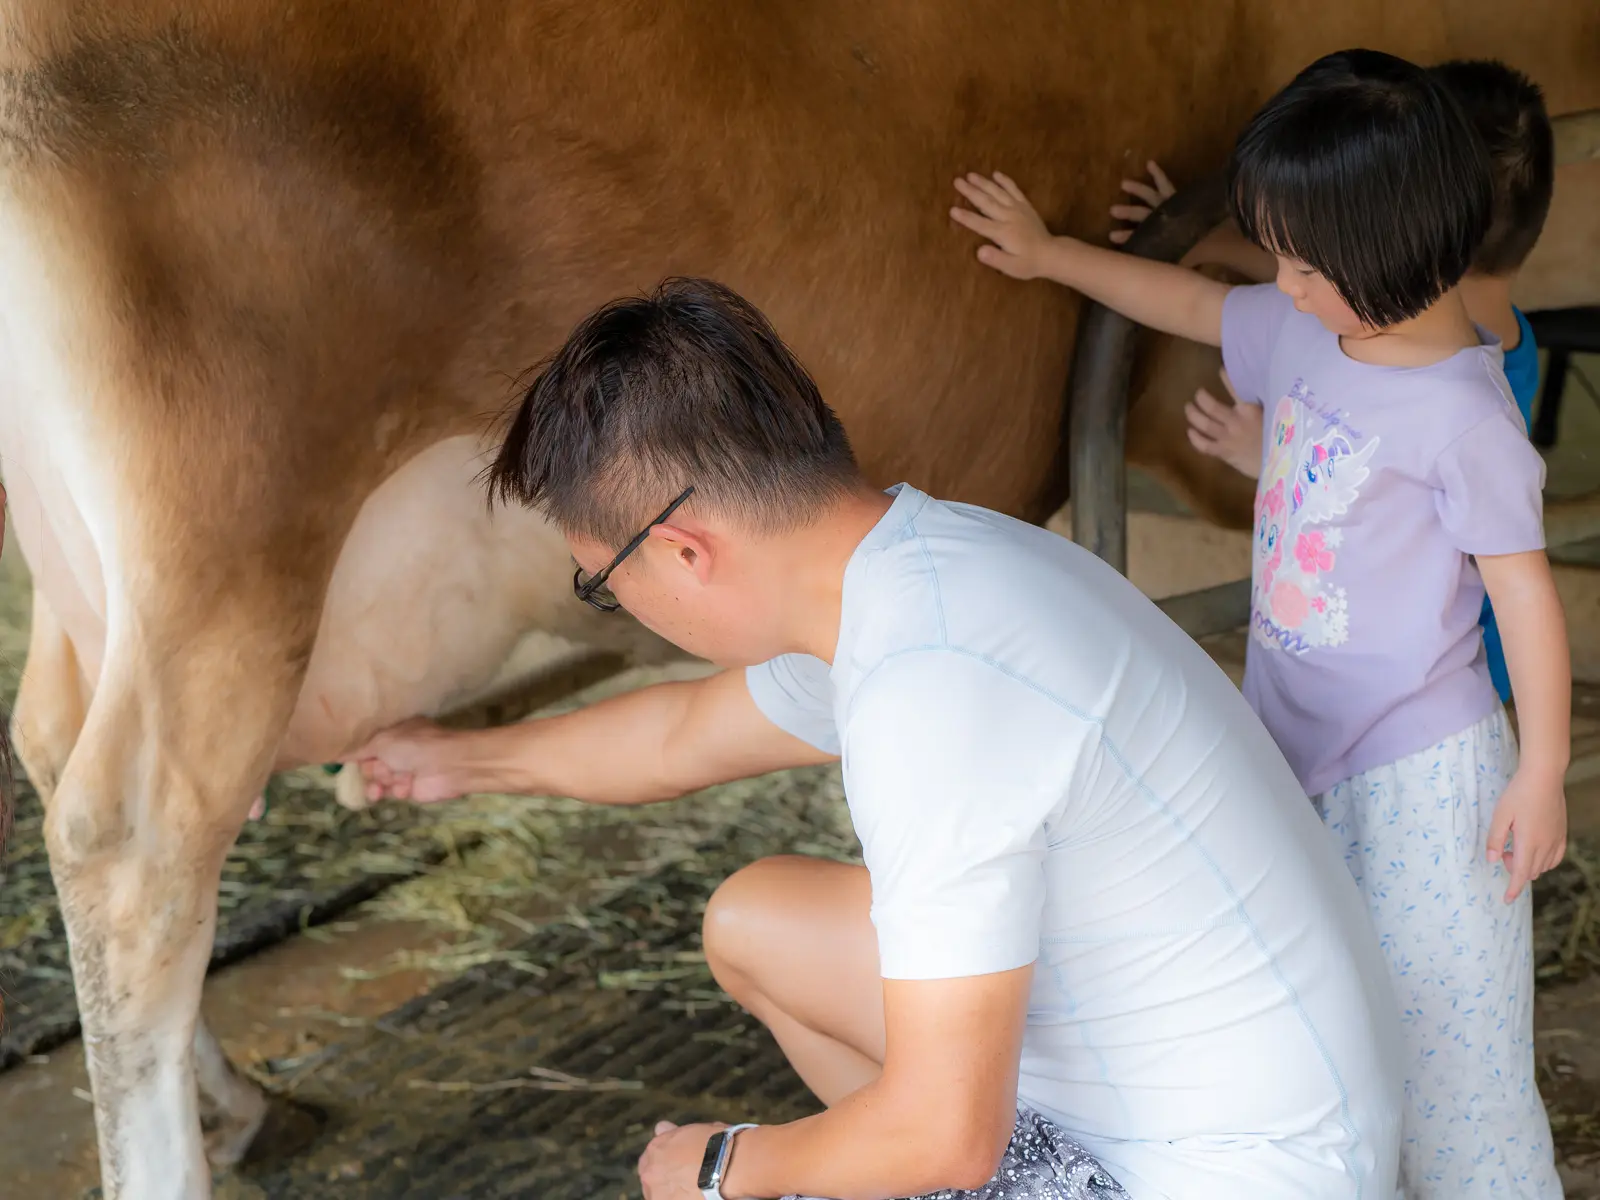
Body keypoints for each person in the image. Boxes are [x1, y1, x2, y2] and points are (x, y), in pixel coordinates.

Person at [347, 276, 1404, 1199]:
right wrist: (460, 761)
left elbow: (948, 1134)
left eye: (605, 584)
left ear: (680, 551)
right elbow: (680, 736)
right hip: (1231, 1082)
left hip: (1232, 1169)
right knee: (755, 919)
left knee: (857, 1151)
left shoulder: (928, 693)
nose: (618, 602)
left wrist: (721, 1166)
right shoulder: (920, 568)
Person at [950, 47, 1570, 1199]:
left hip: (1420, 767)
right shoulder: (1310, 335)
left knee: (1452, 1036)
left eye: (1296, 259)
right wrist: (1051, 257)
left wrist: (1539, 773)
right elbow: (1182, 298)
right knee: (1314, 996)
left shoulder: (1465, 413)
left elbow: (1523, 593)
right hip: (1285, 734)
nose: (1274, 280)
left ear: (1384, 250)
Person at [1109, 59, 1556, 709]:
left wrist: (1266, 454)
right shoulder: (1497, 340)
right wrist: (1200, 240)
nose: (1298, 283)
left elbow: (1384, 515)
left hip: (1443, 678)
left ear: (1410, 230)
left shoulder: (1454, 393)